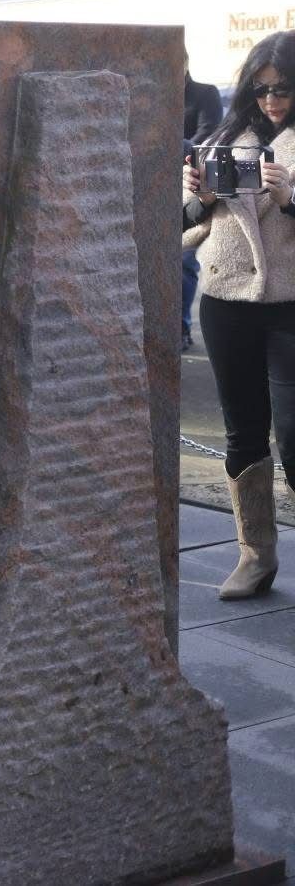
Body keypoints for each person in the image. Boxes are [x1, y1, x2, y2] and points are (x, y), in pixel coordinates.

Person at [182, 30, 295, 601]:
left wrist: (290, 200)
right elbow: (184, 225)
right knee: (242, 429)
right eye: (261, 88)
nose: (271, 100)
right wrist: (197, 199)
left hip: (291, 306)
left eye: (283, 89)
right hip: (227, 300)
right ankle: (256, 556)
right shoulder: (226, 137)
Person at [183, 64, 225, 352]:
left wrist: (186, 154)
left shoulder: (205, 93)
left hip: (198, 171)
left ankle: (182, 326)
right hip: (180, 182)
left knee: (185, 261)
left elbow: (209, 132)